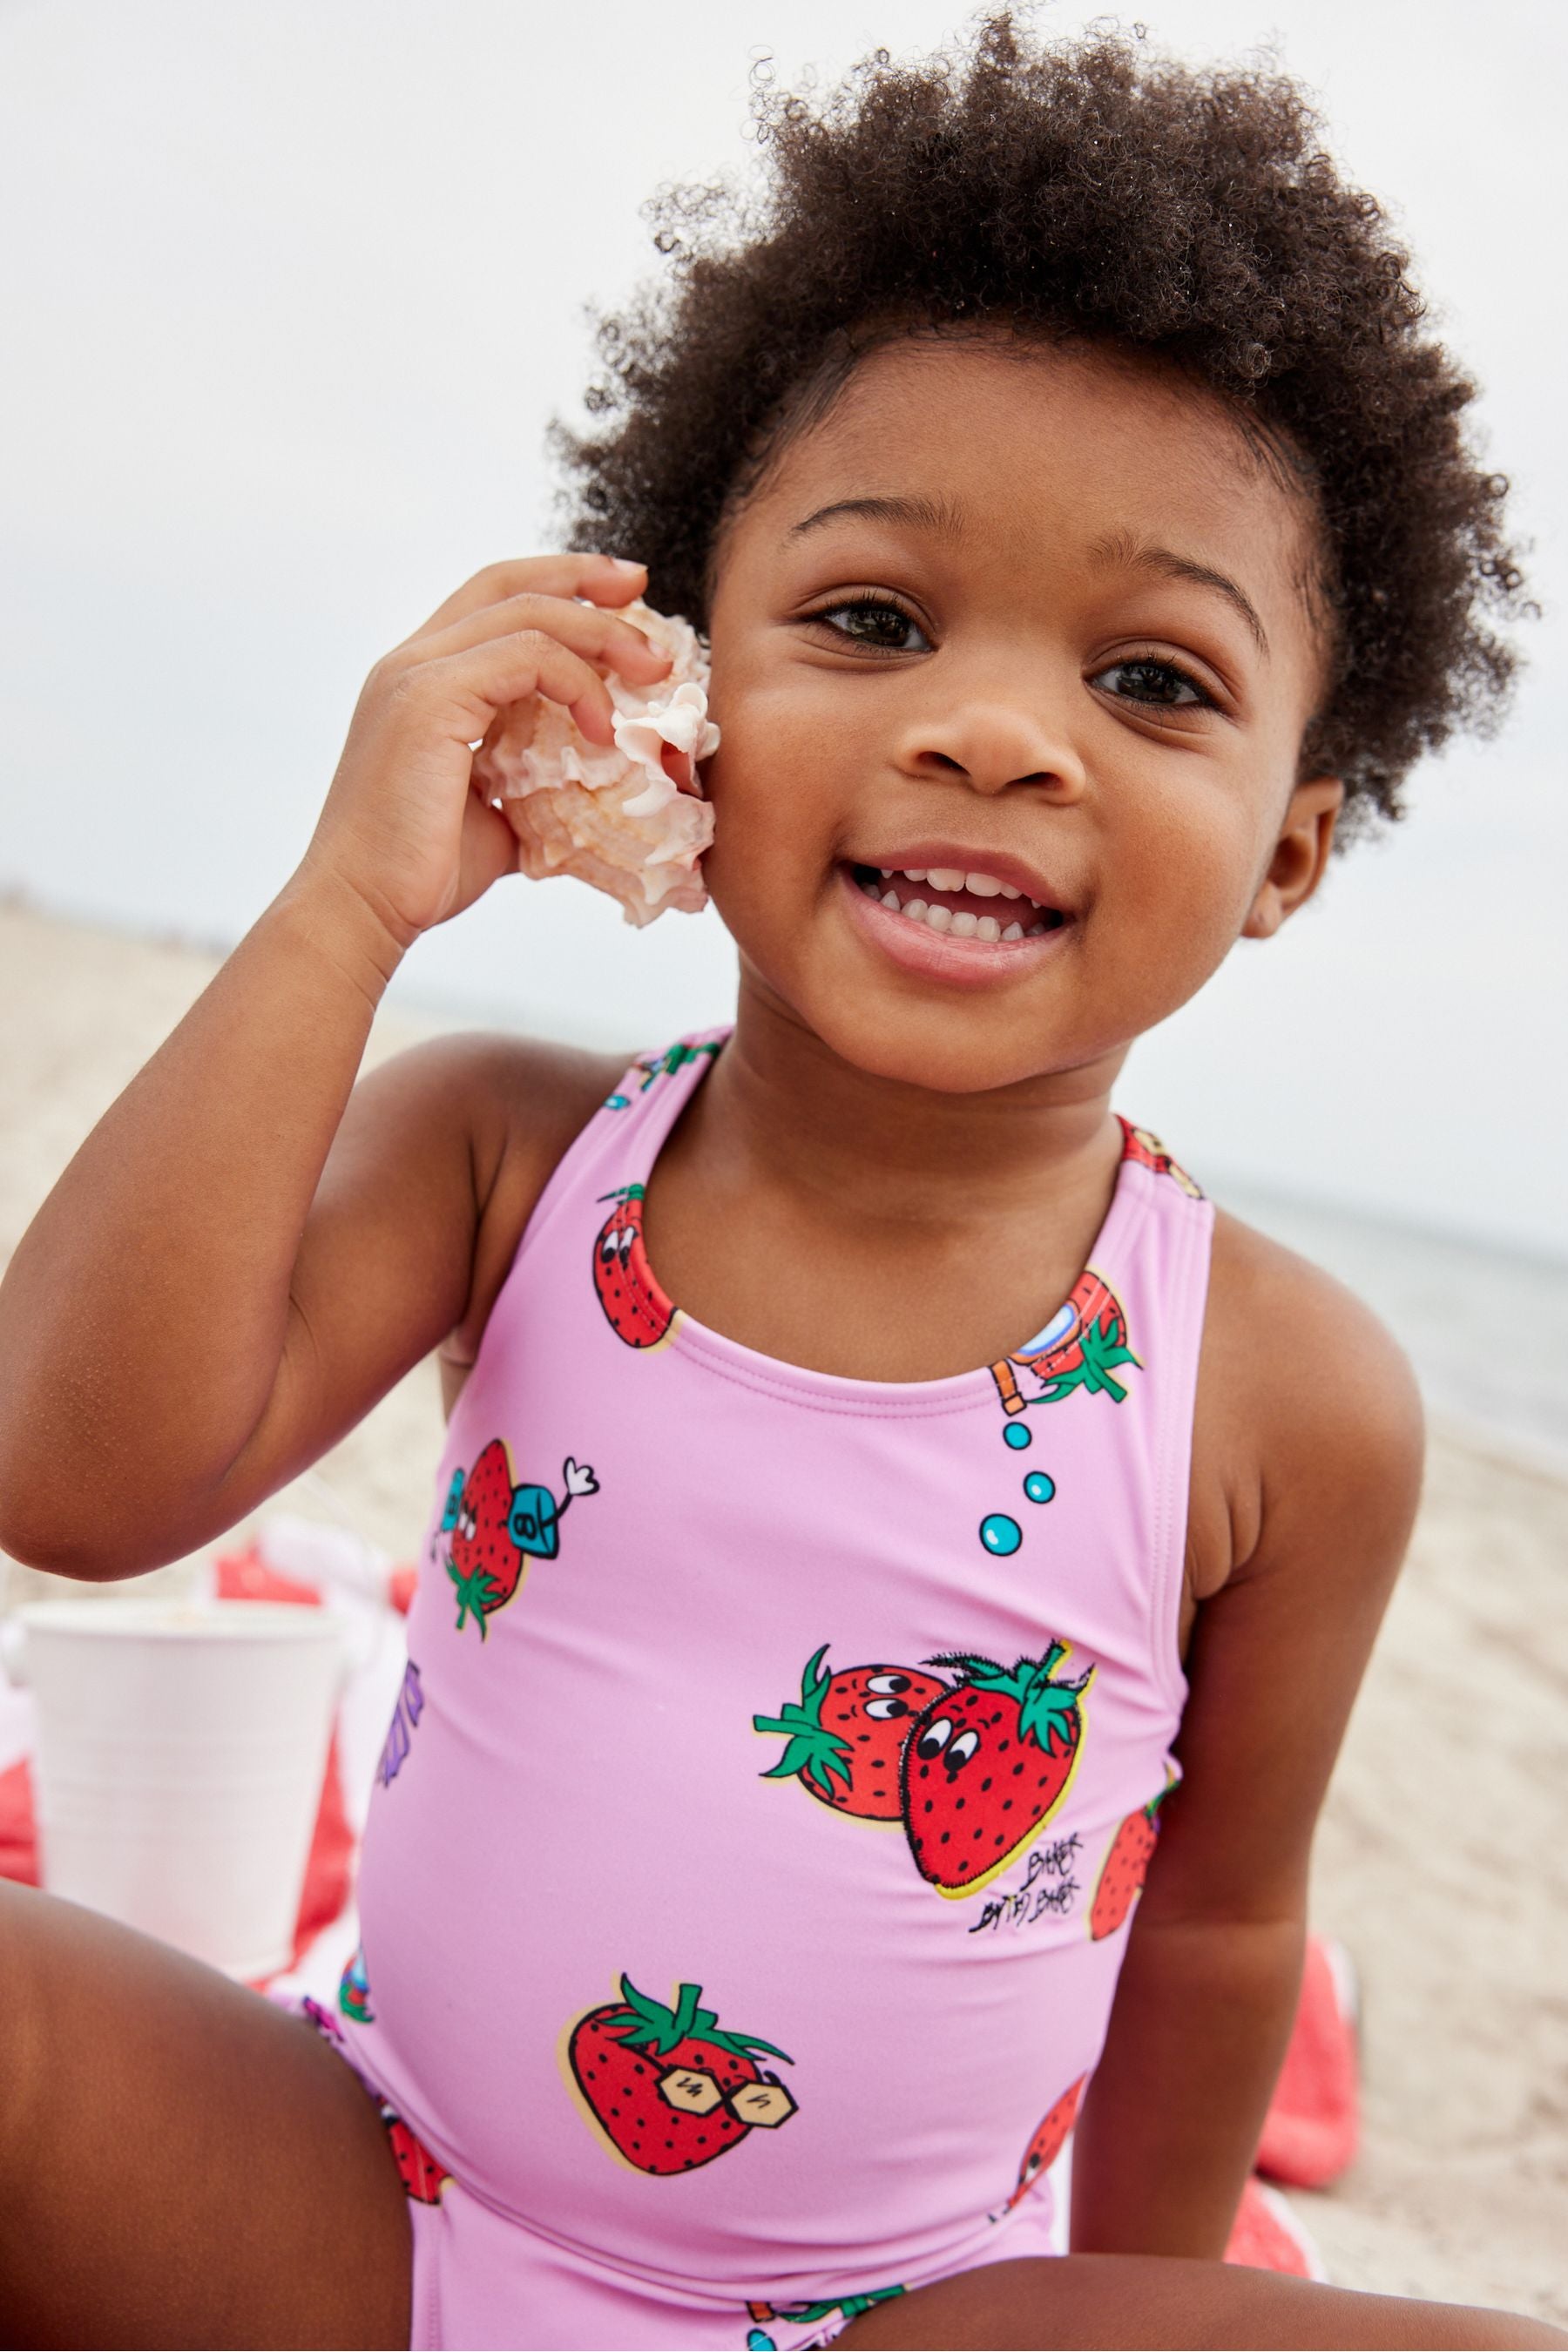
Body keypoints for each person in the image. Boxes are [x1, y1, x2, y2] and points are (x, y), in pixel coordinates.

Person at [0, 17, 1553, 2351]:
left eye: (1149, 677)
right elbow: (70, 1474)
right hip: (371, 2210)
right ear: (678, 679)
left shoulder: (1287, 1392)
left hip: (900, 2317)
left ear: (1288, 854)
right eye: (873, 619)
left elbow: (1222, 1924)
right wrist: (349, 902)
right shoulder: (514, 1147)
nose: (995, 730)